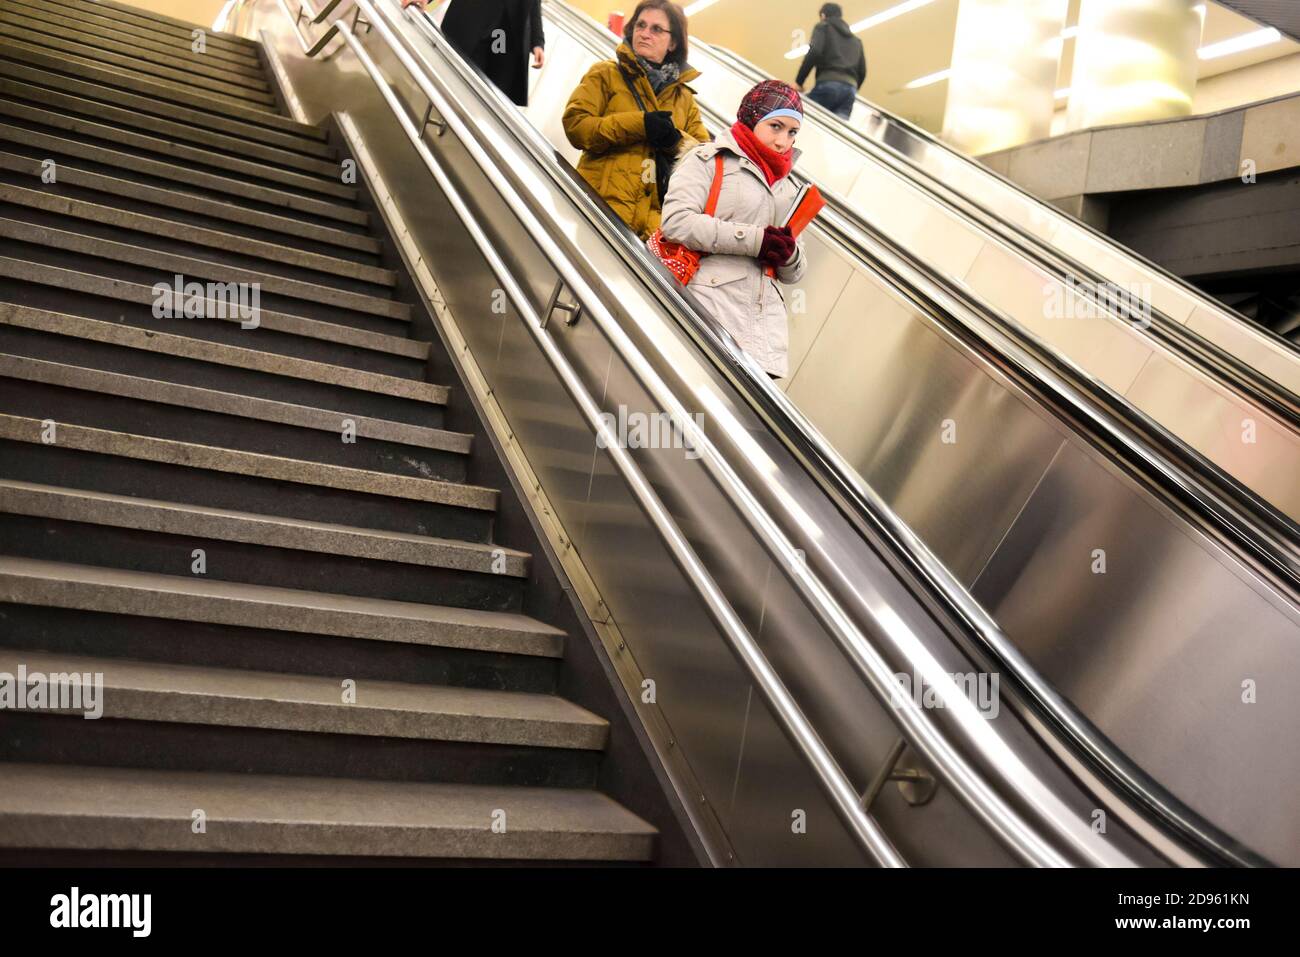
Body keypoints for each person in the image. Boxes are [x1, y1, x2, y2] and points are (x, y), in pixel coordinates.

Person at [658, 81, 807, 380]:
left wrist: (789, 255)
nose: (783, 142)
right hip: (709, 311)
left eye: (792, 132)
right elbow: (676, 222)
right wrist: (755, 241)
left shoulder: (790, 188)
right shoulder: (708, 160)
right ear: (752, 119)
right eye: (775, 126)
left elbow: (795, 273)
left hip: (764, 336)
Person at [562, 0, 709, 240]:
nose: (644, 33)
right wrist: (639, 124)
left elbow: (704, 161)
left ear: (673, 42)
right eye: (640, 25)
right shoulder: (605, 73)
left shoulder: (684, 99)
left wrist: (674, 140)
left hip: (651, 231)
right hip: (597, 209)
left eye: (656, 29)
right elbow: (576, 126)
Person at [401, 0, 544, 106]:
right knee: (449, 73)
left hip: (505, 35)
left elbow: (534, 4)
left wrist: (537, 42)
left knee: (487, 96)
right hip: (471, 18)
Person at [794, 3, 865, 121]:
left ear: (823, 15)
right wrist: (851, 87)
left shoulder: (823, 26)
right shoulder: (856, 41)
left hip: (828, 83)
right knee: (835, 128)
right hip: (850, 91)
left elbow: (815, 51)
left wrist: (799, 82)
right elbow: (862, 71)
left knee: (804, 119)